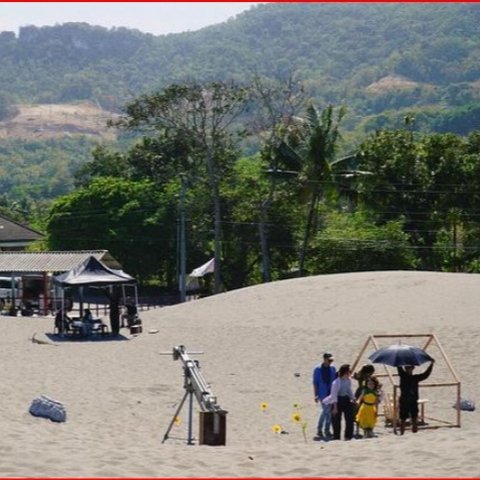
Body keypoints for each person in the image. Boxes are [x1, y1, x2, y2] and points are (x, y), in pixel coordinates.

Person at [397, 359, 435, 434]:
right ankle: (402, 433)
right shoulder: (403, 376)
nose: (409, 369)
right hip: (404, 400)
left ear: (413, 368)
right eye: (408, 368)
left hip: (413, 400)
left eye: (410, 368)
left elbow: (425, 375)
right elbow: (399, 367)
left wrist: (431, 365)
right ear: (405, 368)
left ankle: (414, 432)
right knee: (403, 418)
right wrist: (398, 361)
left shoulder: (415, 378)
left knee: (414, 418)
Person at [324, 364, 356, 441]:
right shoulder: (336, 382)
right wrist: (335, 407)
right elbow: (334, 395)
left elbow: (349, 390)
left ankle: (348, 436)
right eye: (349, 372)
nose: (350, 374)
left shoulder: (348, 380)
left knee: (349, 419)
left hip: (345, 399)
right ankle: (336, 437)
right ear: (345, 372)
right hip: (337, 401)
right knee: (336, 420)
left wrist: (353, 399)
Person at [312, 352, 336, 440]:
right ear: (324, 359)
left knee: (326, 412)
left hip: (331, 394)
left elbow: (335, 381)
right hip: (322, 394)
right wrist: (316, 395)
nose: (330, 362)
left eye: (331, 360)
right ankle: (322, 429)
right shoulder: (317, 369)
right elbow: (315, 383)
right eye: (329, 360)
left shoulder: (333, 368)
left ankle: (325, 430)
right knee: (327, 412)